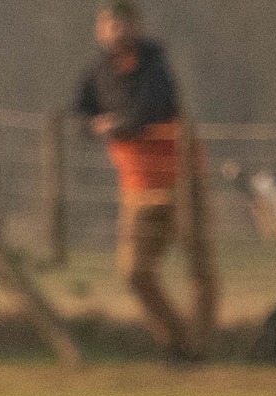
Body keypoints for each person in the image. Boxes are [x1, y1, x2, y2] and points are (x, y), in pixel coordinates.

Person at [73, 2, 199, 363]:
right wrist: (94, 124)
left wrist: (120, 125)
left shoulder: (155, 65)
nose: (115, 33)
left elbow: (153, 108)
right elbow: (80, 112)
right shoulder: (97, 73)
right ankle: (177, 345)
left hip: (181, 179)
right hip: (136, 184)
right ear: (100, 30)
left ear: (136, 27)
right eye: (108, 26)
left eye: (122, 25)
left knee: (199, 267)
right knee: (134, 271)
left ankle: (200, 347)